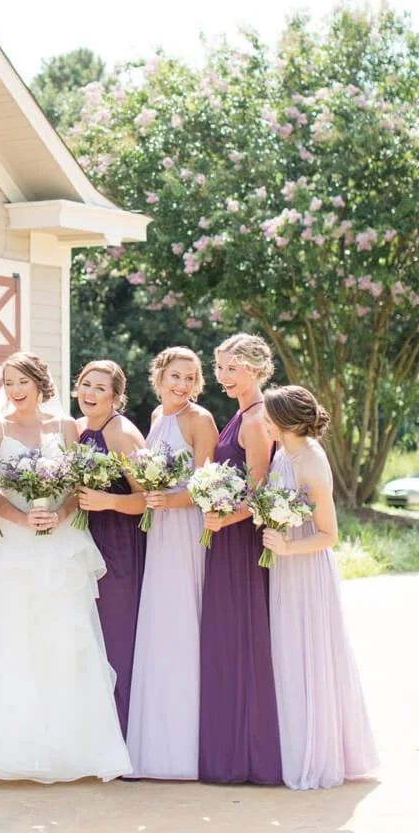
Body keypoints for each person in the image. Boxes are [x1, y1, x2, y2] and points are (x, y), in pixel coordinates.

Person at [0, 351, 131, 783]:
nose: (14, 390)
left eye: (21, 381)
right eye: (7, 382)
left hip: (60, 543)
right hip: (14, 542)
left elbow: (78, 484)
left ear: (39, 383)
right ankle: (7, 750)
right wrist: (23, 519)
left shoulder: (66, 427)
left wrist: (59, 514)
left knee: (65, 638)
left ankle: (73, 750)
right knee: (12, 638)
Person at [263, 385, 378, 789]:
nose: (264, 421)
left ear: (284, 421)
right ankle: (290, 746)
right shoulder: (283, 452)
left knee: (306, 654)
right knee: (285, 654)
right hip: (283, 567)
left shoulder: (311, 462)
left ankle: (314, 754)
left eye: (268, 415)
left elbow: (330, 534)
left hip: (306, 570)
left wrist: (288, 546)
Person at [127, 347, 218, 779]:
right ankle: (156, 741)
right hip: (159, 531)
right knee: (160, 622)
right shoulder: (155, 417)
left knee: (182, 619)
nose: (182, 385)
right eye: (176, 376)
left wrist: (167, 500)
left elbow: (205, 484)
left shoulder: (200, 419)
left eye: (190, 378)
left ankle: (186, 746)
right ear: (159, 375)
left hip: (185, 531)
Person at [198, 333, 282, 785]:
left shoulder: (257, 420)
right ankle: (229, 747)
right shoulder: (241, 414)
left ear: (256, 369)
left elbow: (260, 491)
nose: (223, 376)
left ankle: (249, 753)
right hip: (225, 535)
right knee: (226, 637)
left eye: (232, 368)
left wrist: (224, 519)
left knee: (241, 636)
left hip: (241, 543)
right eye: (220, 368)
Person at [74, 359, 146, 737]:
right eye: (86, 384)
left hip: (119, 546)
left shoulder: (122, 434)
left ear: (116, 397)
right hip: (87, 542)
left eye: (100, 388)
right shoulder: (82, 429)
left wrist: (108, 501)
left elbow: (148, 500)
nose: (90, 393)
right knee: (90, 638)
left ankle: (125, 732)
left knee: (117, 637)